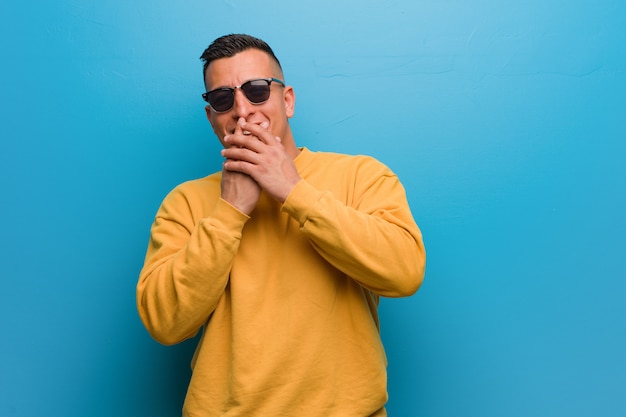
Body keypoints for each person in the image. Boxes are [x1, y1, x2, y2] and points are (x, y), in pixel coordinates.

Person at [137, 33, 426, 417]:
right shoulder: (186, 202)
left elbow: (404, 272)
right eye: (223, 98)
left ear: (286, 100)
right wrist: (229, 211)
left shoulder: (362, 176)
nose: (242, 109)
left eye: (257, 90)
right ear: (212, 117)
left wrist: (293, 191)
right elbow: (164, 322)